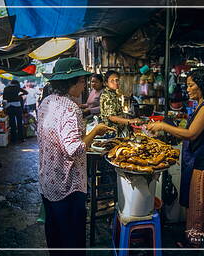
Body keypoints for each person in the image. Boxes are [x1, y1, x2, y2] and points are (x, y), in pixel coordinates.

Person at [37, 57, 114, 256]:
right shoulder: (70, 108)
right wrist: (95, 131)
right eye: (82, 81)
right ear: (71, 82)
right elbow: (75, 149)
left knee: (55, 235)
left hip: (48, 181)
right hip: (68, 184)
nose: (85, 84)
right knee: (72, 241)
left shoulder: (46, 102)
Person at [147, 68, 204, 248]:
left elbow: (191, 133)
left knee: (198, 205)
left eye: (191, 85)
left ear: (201, 85)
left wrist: (163, 126)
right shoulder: (201, 105)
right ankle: (191, 238)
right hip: (195, 161)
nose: (187, 89)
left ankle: (194, 245)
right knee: (192, 202)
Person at [100, 70, 140, 135]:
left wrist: (128, 117)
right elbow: (111, 117)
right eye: (112, 81)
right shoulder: (107, 95)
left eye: (117, 80)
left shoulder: (113, 94)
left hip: (117, 130)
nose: (115, 82)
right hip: (111, 132)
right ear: (106, 83)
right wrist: (130, 121)